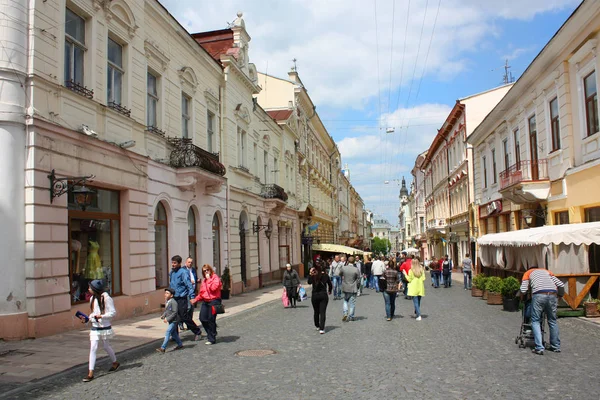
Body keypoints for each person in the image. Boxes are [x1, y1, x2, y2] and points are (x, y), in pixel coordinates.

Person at [79, 279, 119, 382]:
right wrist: (87, 319)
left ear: (95, 289)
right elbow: (93, 313)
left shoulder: (106, 298)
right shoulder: (92, 298)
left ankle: (115, 362)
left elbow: (113, 313)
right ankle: (90, 372)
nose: (88, 289)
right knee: (93, 348)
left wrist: (101, 316)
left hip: (104, 326)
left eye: (90, 287)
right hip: (95, 326)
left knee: (106, 346)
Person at [520, 266, 564, 355]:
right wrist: (560, 296)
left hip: (539, 295)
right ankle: (555, 346)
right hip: (552, 294)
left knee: (535, 320)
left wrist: (522, 295)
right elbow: (561, 285)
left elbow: (523, 289)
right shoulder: (547, 272)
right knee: (552, 321)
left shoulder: (528, 273)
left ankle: (539, 347)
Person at [169, 255, 202, 340]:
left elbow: (189, 285)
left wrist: (192, 297)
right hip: (173, 298)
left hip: (181, 298)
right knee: (173, 317)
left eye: (175, 263)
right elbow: (171, 285)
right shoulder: (172, 273)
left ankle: (197, 331)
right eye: (172, 263)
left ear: (179, 263)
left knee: (184, 316)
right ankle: (175, 335)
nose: (173, 264)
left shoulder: (183, 272)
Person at [191, 264, 222, 345]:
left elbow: (213, 288)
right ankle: (212, 332)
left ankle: (211, 338)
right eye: (204, 271)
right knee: (202, 318)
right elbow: (202, 293)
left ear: (210, 270)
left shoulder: (215, 278)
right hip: (205, 301)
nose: (206, 272)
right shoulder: (204, 281)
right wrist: (195, 299)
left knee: (211, 319)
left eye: (207, 270)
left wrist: (209, 280)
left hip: (214, 300)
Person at [157, 288, 184, 353]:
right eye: (165, 293)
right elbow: (167, 310)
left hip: (174, 321)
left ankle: (163, 348)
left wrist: (168, 319)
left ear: (171, 295)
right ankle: (180, 344)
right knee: (174, 333)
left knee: (168, 332)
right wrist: (163, 315)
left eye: (167, 293)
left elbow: (174, 312)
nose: (165, 294)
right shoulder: (167, 301)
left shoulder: (173, 302)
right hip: (171, 320)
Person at [308, 264, 333, 334]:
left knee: (316, 311)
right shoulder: (325, 276)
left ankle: (317, 325)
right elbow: (330, 285)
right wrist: (330, 291)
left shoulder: (313, 275)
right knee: (322, 312)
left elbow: (309, 282)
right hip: (323, 295)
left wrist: (310, 274)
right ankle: (322, 329)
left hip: (315, 295)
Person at [339, 256, 360, 321]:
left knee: (345, 300)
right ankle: (351, 316)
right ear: (354, 262)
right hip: (353, 288)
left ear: (347, 261)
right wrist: (358, 286)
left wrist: (344, 277)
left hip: (345, 287)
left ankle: (345, 313)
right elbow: (358, 279)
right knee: (352, 303)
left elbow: (340, 274)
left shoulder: (344, 268)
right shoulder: (356, 269)